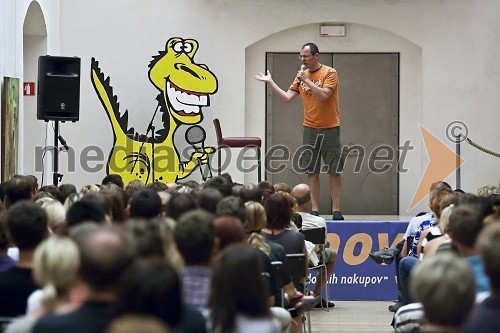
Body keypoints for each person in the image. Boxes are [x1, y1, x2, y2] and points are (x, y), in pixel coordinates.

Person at [255, 42, 344, 220]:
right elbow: (287, 98)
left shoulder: (329, 73)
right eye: (300, 56)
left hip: (330, 128)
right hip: (310, 127)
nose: (302, 59)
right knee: (311, 170)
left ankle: (336, 209)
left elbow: (325, 95)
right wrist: (271, 82)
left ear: (316, 56)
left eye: (305, 56)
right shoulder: (301, 77)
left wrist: (306, 81)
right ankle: (315, 209)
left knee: (333, 170)